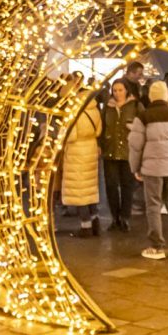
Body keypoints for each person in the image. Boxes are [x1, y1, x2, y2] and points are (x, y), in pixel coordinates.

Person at [129, 81, 168, 259]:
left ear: (151, 96)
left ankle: (157, 246)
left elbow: (135, 146)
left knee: (153, 206)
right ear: (165, 96)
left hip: (152, 168)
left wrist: (135, 167)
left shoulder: (143, 117)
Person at [61, 76, 104, 236]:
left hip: (76, 151)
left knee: (80, 192)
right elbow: (98, 130)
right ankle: (95, 221)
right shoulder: (94, 110)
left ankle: (85, 227)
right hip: (91, 148)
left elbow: (71, 135)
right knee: (90, 189)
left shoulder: (75, 112)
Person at [100, 79, 140, 232]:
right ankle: (115, 217)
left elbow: (143, 125)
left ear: (127, 90)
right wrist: (100, 144)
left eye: (120, 90)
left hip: (128, 151)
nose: (117, 93)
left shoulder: (135, 106)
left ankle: (125, 217)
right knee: (111, 186)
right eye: (115, 90)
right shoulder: (108, 107)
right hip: (110, 150)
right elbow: (102, 126)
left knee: (127, 186)